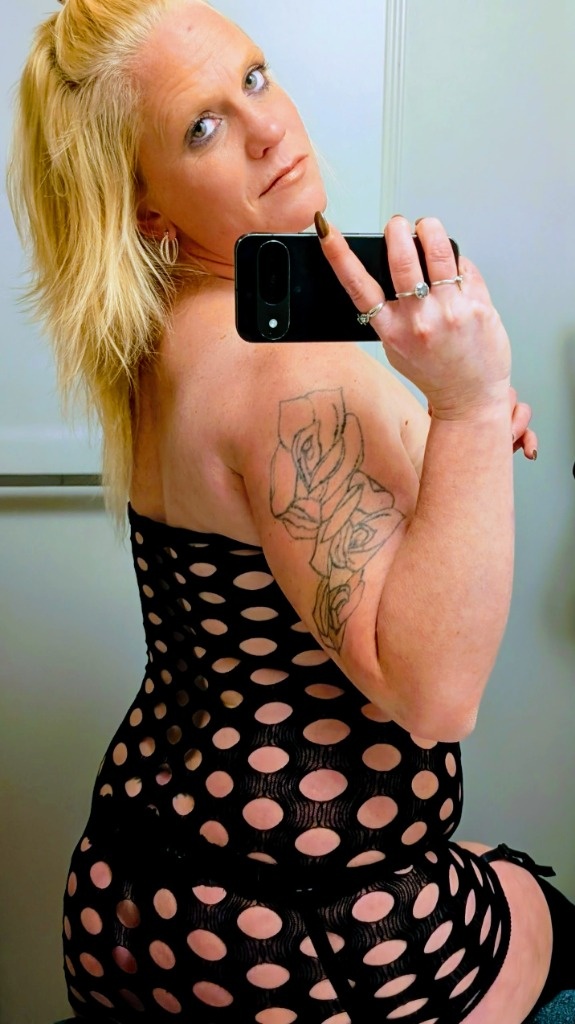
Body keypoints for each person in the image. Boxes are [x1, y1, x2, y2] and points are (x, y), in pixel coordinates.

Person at [7, 1, 574, 1022]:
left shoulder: (164, 336)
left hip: (134, 884)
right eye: (202, 127)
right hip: (300, 926)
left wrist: (455, 446)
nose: (268, 126)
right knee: (555, 914)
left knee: (494, 869)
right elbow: (435, 695)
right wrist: (468, 400)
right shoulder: (285, 368)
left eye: (255, 77)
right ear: (145, 208)